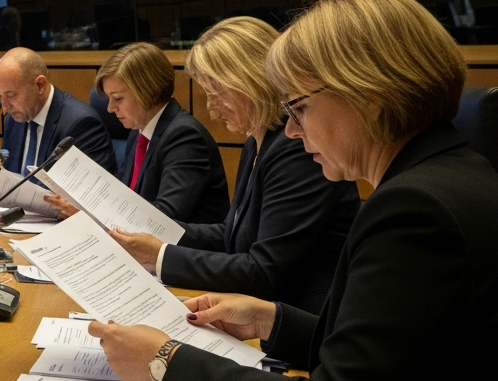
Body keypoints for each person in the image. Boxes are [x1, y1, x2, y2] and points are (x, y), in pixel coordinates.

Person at [87, 0, 498, 381]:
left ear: (369, 93)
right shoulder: (446, 176)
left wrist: (166, 359)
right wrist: (272, 320)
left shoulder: (416, 211)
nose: (294, 131)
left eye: (299, 108)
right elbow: (386, 361)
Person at [103, 17, 359, 313]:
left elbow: (263, 273)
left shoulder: (297, 148)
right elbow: (230, 235)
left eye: (218, 94)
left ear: (251, 80)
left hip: (302, 326)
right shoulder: (256, 141)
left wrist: (160, 255)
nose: (211, 109)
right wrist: (152, 232)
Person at [58, 42, 229, 223]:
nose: (110, 108)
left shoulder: (185, 137)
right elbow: (126, 198)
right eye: (109, 99)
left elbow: (164, 218)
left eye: (118, 98)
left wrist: (95, 213)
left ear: (149, 92)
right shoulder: (138, 132)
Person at [0, 47, 116, 176]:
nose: (5, 106)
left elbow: (92, 191)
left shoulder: (81, 124)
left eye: (11, 95)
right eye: (0, 96)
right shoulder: (13, 120)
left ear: (40, 85)